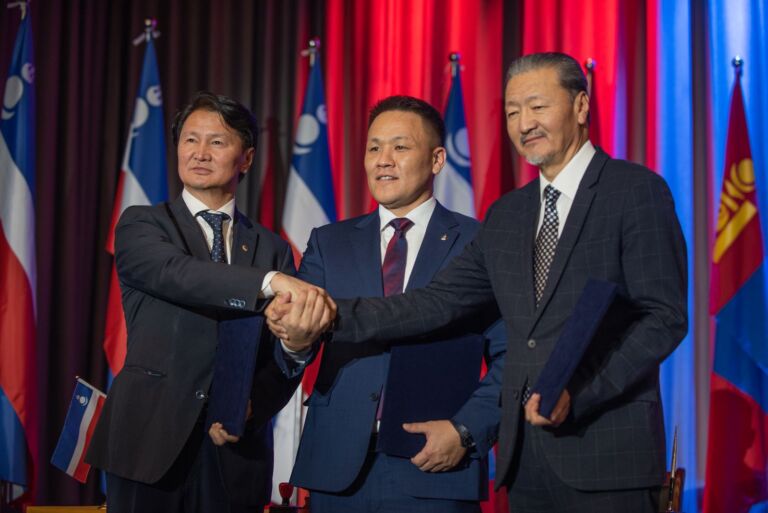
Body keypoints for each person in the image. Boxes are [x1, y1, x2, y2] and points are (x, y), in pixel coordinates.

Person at [269, 53, 688, 513]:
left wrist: (579, 393)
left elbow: (662, 317)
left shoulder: (635, 190)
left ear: (581, 106)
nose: (525, 123)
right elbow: (434, 303)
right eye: (512, 112)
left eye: (537, 106)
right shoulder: (509, 214)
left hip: (608, 453)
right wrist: (326, 313)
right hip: (526, 461)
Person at [87, 91, 332, 513]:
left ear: (246, 158)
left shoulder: (272, 248)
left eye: (217, 142)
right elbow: (179, 274)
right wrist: (270, 282)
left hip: (234, 451)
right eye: (190, 139)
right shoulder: (142, 224)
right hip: (149, 442)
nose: (200, 153)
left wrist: (253, 407)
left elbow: (285, 354)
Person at [268, 95, 506, 513]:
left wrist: (467, 430)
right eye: (374, 148)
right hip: (336, 468)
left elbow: (512, 357)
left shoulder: (479, 242)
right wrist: (294, 340)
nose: (383, 160)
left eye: (400, 147)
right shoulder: (329, 242)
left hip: (434, 463)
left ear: (436, 160)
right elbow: (289, 351)